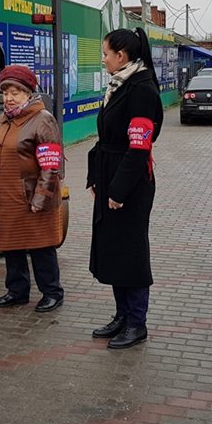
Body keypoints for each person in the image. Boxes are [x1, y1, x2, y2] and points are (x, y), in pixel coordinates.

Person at [86, 27, 163, 349]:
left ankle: (137, 322)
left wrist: (118, 191)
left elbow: (138, 149)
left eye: (106, 54)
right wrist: (95, 178)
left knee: (130, 252)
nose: (103, 60)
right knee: (113, 251)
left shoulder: (141, 90)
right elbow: (105, 139)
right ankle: (121, 315)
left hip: (130, 183)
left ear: (122, 55)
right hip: (111, 175)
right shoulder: (119, 86)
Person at [0, 64, 65, 313]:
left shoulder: (43, 120)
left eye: (16, 93)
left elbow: (51, 166)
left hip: (32, 198)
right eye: (5, 92)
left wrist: (40, 198)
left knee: (41, 246)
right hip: (8, 196)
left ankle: (52, 292)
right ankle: (17, 291)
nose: (9, 98)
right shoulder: (3, 119)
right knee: (11, 245)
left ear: (29, 93)